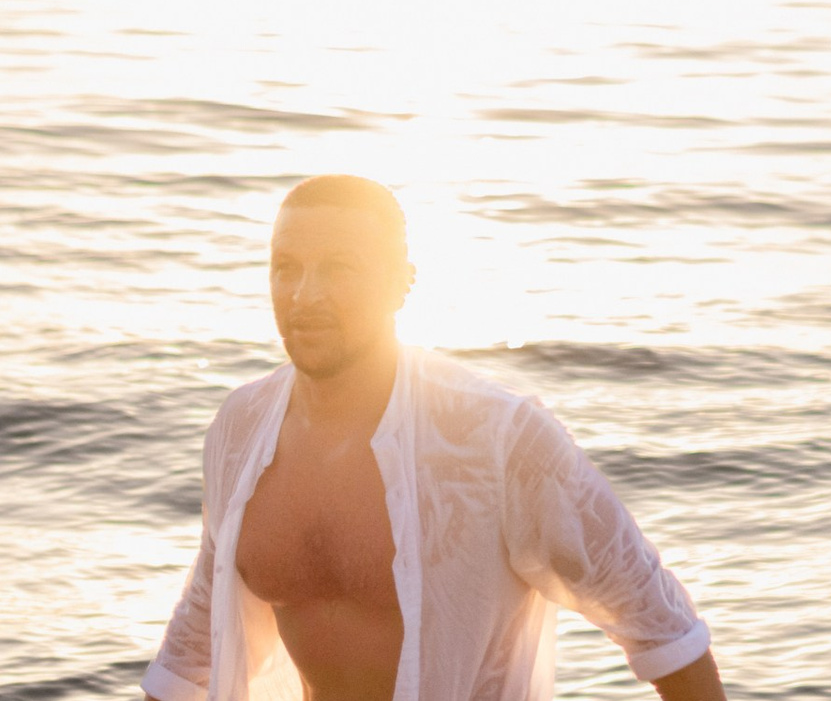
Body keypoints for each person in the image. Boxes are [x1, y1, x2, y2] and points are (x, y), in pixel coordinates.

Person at [144, 175, 727, 701]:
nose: (304, 295)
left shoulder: (497, 439)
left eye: (339, 268)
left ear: (402, 284)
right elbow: (200, 630)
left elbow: (664, 630)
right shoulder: (241, 429)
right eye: (286, 267)